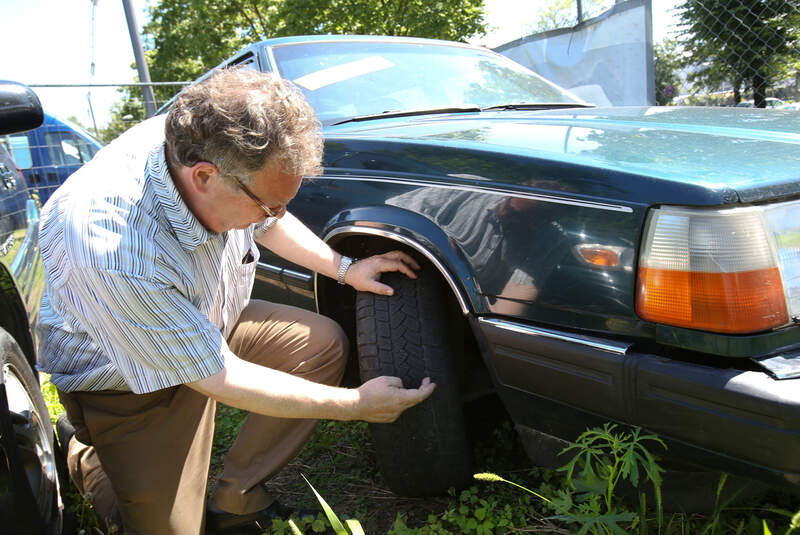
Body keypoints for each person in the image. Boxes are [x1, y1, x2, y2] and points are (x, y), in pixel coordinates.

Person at [37, 68, 435, 535]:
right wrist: (355, 405)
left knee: (319, 345)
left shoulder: (209, 149)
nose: (276, 216)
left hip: (201, 322)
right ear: (204, 176)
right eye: (269, 204)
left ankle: (236, 497)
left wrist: (345, 268)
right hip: (127, 376)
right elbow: (217, 376)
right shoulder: (112, 247)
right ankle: (86, 456)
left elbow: (266, 221)